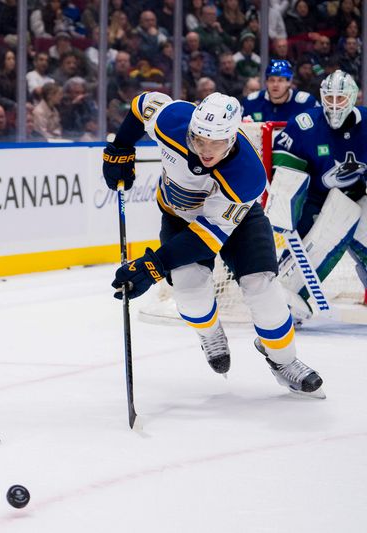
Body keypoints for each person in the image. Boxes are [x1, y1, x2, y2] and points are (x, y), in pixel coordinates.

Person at [102, 90, 324, 398]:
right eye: (200, 140)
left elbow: (207, 237)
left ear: (232, 138)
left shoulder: (246, 176)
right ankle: (210, 334)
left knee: (263, 291)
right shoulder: (172, 120)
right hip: (179, 216)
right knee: (190, 295)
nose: (206, 150)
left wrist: (154, 265)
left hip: (240, 219)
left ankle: (283, 361)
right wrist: (121, 146)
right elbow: (141, 105)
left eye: (216, 143)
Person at [266, 70, 367, 320]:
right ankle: (283, 300)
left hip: (355, 197)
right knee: (312, 247)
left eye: (339, 100)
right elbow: (285, 170)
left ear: (353, 98)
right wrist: (283, 203)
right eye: (329, 99)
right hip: (314, 201)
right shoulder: (304, 124)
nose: (333, 106)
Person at [243, 60, 318, 122]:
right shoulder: (251, 102)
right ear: (266, 82)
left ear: (289, 82)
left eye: (280, 80)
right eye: (272, 80)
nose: (275, 84)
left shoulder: (306, 103)